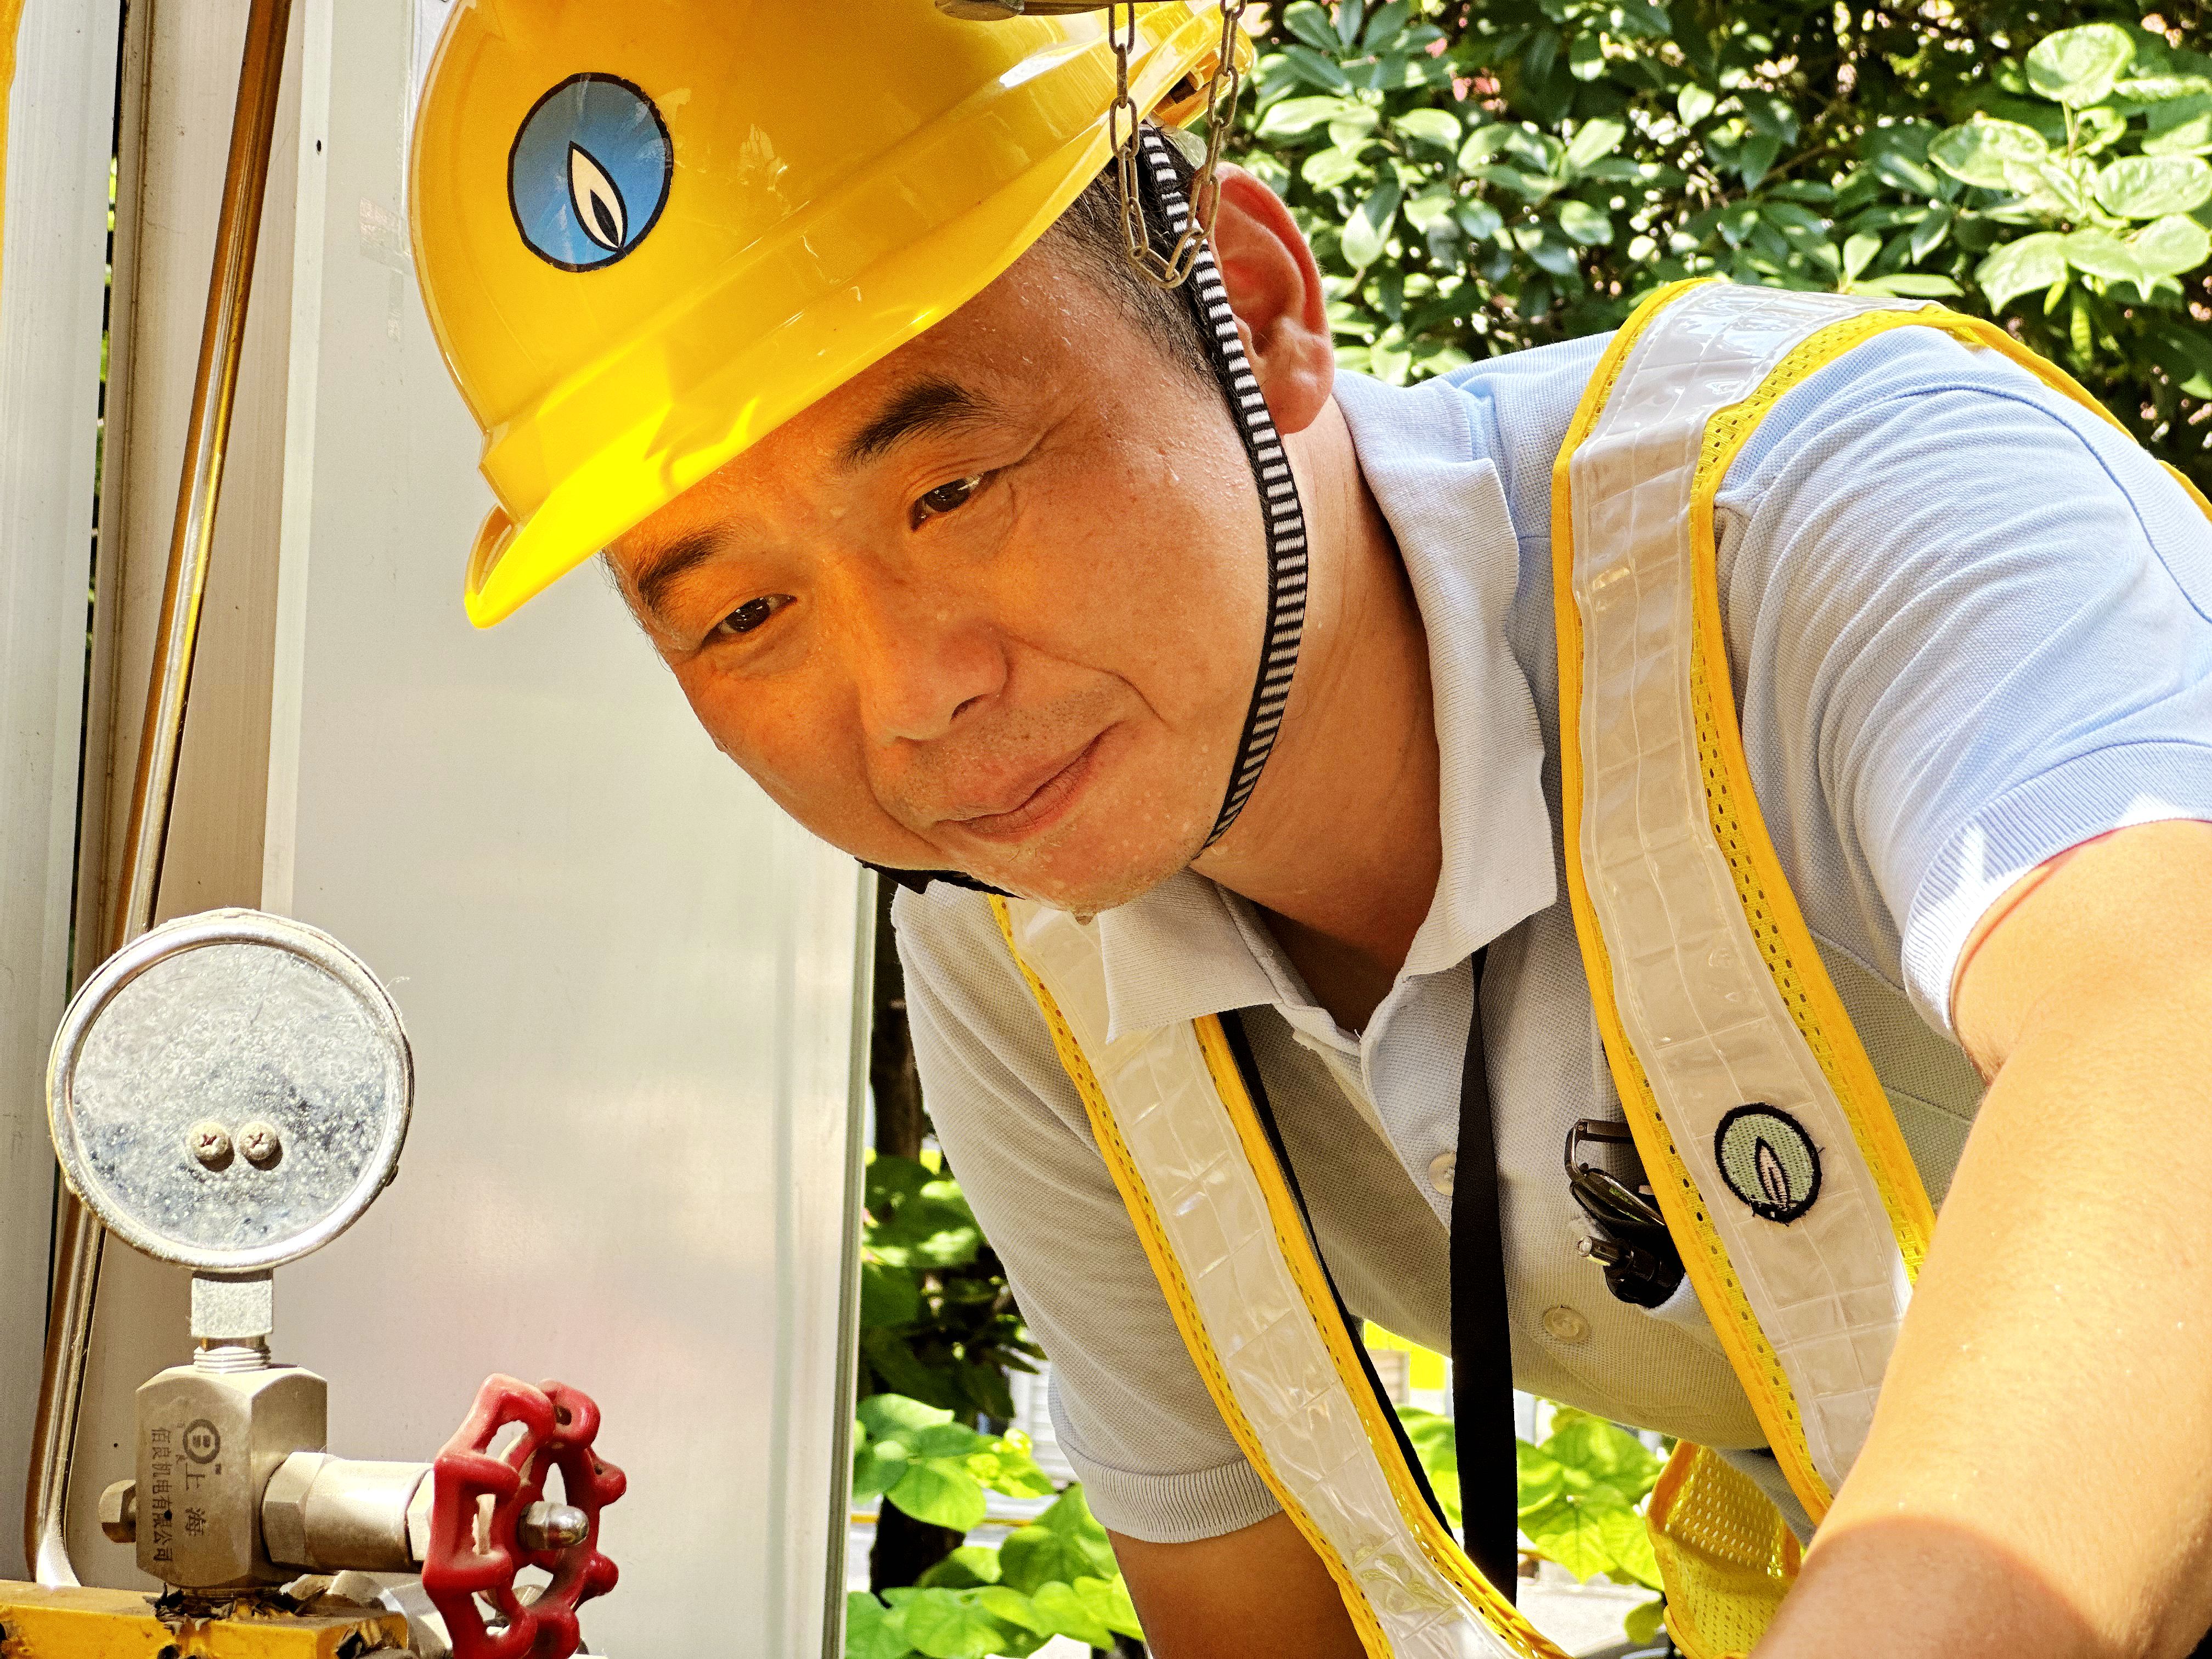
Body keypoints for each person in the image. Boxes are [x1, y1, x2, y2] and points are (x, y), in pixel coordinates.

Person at [408, 6, 2212, 1656]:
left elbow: (2173, 1028)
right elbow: (1252, 1615)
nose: (913, 698)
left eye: (951, 489)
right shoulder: (1016, 950)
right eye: (742, 616)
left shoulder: (1834, 499)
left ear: (1257, 308)